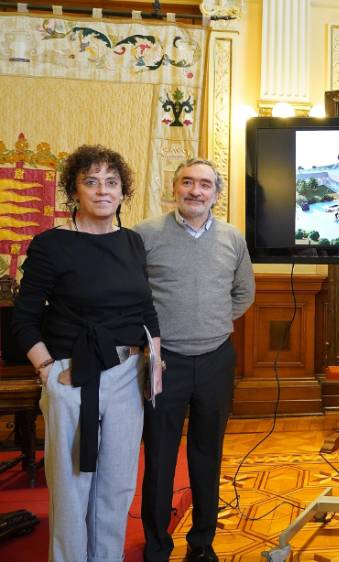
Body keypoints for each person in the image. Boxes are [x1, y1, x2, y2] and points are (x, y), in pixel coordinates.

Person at [12, 145, 162, 562]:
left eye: (111, 182)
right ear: (74, 190)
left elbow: (146, 309)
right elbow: (23, 319)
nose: (102, 190)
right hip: (72, 374)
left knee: (117, 486)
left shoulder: (132, 242)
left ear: (122, 191)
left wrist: (156, 363)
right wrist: (47, 369)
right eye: (91, 182)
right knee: (71, 488)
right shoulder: (51, 244)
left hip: (127, 372)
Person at [135, 158, 255, 562]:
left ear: (216, 195)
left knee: (207, 453)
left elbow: (244, 293)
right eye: (187, 182)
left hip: (216, 359)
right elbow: (132, 294)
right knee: (159, 455)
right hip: (163, 361)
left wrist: (212, 322)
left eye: (205, 184)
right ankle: (157, 546)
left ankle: (202, 544)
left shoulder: (232, 238)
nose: (195, 191)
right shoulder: (145, 234)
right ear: (175, 188)